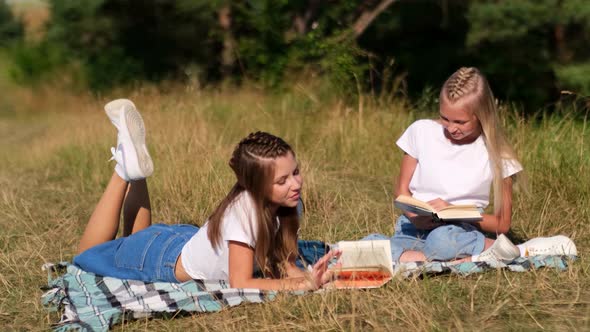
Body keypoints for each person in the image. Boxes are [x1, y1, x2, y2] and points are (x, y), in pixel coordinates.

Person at [73, 99, 340, 290]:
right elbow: (241, 282)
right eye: (282, 180)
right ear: (256, 186)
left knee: (133, 241)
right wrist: (299, 285)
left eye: (295, 172)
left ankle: (134, 169)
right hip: (162, 261)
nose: (295, 184)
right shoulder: (245, 212)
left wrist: (308, 277)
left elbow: (284, 262)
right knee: (87, 255)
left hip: (178, 240)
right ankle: (123, 170)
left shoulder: (289, 201)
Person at [369, 67, 576, 263]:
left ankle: (518, 251)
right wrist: (415, 217)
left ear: (481, 115)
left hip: (459, 230)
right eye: (445, 118)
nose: (451, 128)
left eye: (460, 122)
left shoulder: (497, 154)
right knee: (371, 245)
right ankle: (445, 259)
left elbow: (501, 224)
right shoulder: (421, 131)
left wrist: (453, 210)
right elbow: (400, 191)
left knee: (441, 241)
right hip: (412, 226)